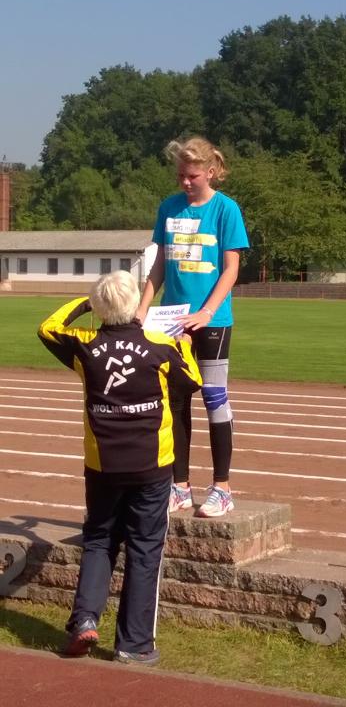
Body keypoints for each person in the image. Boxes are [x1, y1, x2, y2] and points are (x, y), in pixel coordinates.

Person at [37, 270, 202, 663]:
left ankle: (84, 620)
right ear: (136, 304)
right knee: (145, 549)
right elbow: (192, 382)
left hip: (102, 465)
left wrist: (88, 302)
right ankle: (134, 644)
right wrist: (186, 346)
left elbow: (48, 327)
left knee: (99, 540)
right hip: (152, 466)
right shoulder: (161, 345)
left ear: (99, 307)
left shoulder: (84, 344)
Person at [136, 136, 249, 518]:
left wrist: (206, 312)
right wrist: (142, 310)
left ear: (211, 172)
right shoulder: (168, 207)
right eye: (181, 175)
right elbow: (159, 265)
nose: (185, 182)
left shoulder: (226, 209)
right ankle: (179, 486)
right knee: (176, 403)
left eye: (192, 176)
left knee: (214, 399)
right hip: (172, 321)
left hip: (213, 321)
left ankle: (222, 488)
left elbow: (231, 269)